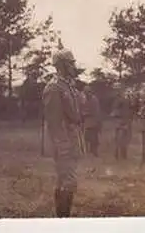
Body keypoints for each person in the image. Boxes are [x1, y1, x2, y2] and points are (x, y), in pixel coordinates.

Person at [42, 49, 83, 217]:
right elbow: (54, 122)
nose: (74, 66)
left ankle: (63, 220)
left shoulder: (67, 86)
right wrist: (62, 145)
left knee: (66, 181)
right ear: (62, 65)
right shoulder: (54, 88)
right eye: (71, 63)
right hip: (63, 142)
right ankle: (63, 221)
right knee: (68, 181)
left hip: (71, 139)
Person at [110, 83, 133, 160]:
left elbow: (118, 111)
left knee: (121, 138)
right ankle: (120, 154)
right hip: (121, 120)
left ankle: (120, 154)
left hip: (122, 120)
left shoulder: (122, 99)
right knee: (120, 138)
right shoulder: (121, 99)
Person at [82, 84, 102, 156]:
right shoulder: (84, 99)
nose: (87, 94)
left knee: (94, 138)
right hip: (87, 121)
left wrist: (85, 113)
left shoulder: (94, 99)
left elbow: (95, 111)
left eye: (88, 92)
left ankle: (94, 151)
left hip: (93, 120)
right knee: (87, 137)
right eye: (85, 92)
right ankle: (88, 151)